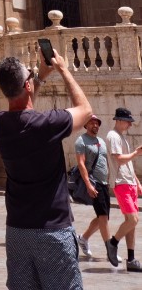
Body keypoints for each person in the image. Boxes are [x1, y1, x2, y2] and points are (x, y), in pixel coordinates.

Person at [0, 49, 92, 289]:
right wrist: (63, 69)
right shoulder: (47, 124)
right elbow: (85, 110)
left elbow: (22, 108)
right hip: (52, 231)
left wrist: (38, 78)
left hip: (17, 231)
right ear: (27, 85)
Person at [74, 113, 115, 265]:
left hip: (104, 183)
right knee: (103, 217)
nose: (95, 125)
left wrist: (110, 180)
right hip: (94, 182)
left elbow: (105, 162)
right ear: (86, 125)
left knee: (103, 217)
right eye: (92, 122)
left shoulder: (101, 141)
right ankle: (111, 251)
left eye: (97, 123)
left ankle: (83, 238)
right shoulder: (81, 141)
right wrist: (88, 184)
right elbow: (81, 164)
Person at [106, 107, 142, 271]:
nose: (130, 125)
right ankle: (112, 243)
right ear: (119, 120)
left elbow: (128, 164)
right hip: (121, 182)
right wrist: (136, 153)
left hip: (129, 182)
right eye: (128, 121)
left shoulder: (122, 138)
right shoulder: (113, 136)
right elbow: (120, 159)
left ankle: (131, 259)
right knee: (133, 219)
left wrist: (137, 182)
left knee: (131, 223)